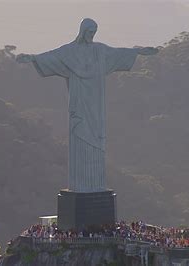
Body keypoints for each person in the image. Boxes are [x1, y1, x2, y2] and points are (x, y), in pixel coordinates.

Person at [16, 18, 158, 192]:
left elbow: (118, 53)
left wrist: (139, 51)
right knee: (80, 135)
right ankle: (81, 185)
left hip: (96, 104)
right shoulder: (70, 51)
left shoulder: (100, 50)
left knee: (96, 137)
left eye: (94, 32)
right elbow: (52, 56)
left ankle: (96, 185)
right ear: (82, 32)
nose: (92, 35)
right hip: (80, 101)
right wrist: (32, 58)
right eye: (90, 32)